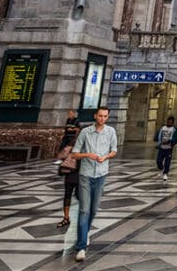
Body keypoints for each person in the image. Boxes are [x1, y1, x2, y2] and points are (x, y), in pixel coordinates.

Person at [71, 105, 118, 262]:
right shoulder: (85, 132)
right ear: (95, 116)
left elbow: (114, 150)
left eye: (105, 116)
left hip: (101, 174)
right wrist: (88, 154)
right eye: (100, 116)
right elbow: (75, 154)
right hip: (85, 174)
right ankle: (81, 246)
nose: (102, 119)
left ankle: (86, 232)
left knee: (93, 209)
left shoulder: (111, 132)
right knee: (84, 210)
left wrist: (105, 157)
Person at [57, 149, 79, 229]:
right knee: (68, 196)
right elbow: (60, 156)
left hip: (76, 174)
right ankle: (66, 218)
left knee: (75, 196)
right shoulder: (71, 146)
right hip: (72, 174)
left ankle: (68, 218)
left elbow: (60, 156)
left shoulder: (71, 147)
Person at [154, 116, 177, 181]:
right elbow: (158, 135)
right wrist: (157, 142)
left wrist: (170, 141)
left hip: (169, 148)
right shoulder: (163, 128)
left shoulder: (174, 129)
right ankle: (161, 168)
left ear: (172, 123)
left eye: (170, 122)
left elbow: (175, 138)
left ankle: (165, 173)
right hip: (161, 147)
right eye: (168, 121)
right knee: (159, 160)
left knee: (167, 162)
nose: (169, 123)